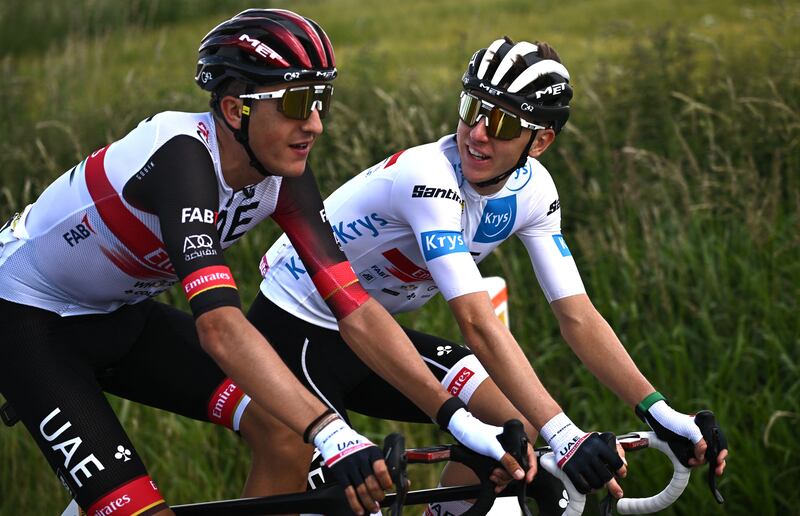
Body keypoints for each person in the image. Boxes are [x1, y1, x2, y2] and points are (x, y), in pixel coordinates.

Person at [0, 10, 527, 516]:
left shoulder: (282, 170)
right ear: (235, 110)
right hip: (29, 319)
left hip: (116, 311)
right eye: (299, 103)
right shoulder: (181, 157)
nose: (316, 124)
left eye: (322, 99)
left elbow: (356, 309)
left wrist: (456, 418)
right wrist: (336, 435)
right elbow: (221, 329)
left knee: (284, 437)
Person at [248, 36, 729, 514]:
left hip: (369, 334)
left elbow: (577, 315)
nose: (477, 132)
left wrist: (660, 414)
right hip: (291, 326)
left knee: (513, 433)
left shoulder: (535, 192)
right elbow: (476, 321)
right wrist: (567, 436)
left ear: (539, 140)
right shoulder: (427, 175)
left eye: (500, 121)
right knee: (352, 492)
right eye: (471, 107)